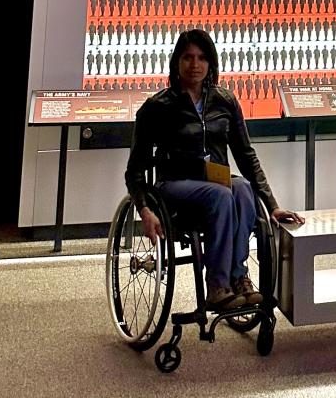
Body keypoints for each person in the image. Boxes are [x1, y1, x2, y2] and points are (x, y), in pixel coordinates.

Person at [125, 29, 303, 312]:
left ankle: (238, 276)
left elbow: (246, 156)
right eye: (188, 57)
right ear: (176, 62)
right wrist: (145, 210)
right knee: (222, 194)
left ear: (211, 63)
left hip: (215, 184)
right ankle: (217, 286)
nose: (195, 64)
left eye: (201, 58)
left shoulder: (225, 102)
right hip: (174, 186)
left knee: (243, 188)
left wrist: (272, 205)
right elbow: (134, 170)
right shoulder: (157, 108)